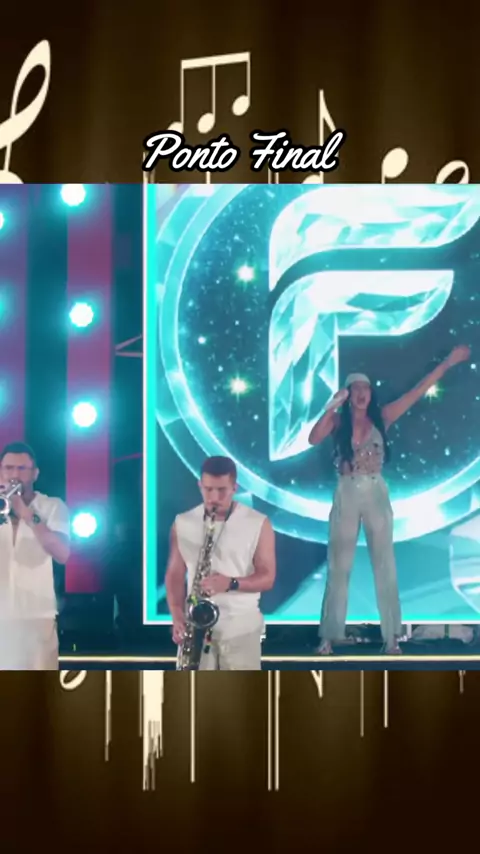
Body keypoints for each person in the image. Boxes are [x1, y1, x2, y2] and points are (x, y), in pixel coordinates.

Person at [308, 345, 471, 656]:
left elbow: (418, 391)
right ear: (348, 394)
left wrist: (449, 362)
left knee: (385, 564)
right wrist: (331, 407)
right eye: (355, 389)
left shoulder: (382, 417)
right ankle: (328, 637)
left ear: (371, 393)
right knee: (339, 566)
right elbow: (313, 438)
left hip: (375, 491)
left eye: (365, 389)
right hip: (346, 490)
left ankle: (392, 637)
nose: (361, 394)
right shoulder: (337, 422)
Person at [165, 455, 276, 670]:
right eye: (208, 489)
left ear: (234, 488)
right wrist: (177, 614)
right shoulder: (183, 522)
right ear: (200, 485)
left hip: (241, 629)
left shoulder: (258, 523)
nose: (214, 497)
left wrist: (231, 583)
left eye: (222, 490)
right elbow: (174, 574)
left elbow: (267, 577)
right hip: (196, 629)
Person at [0, 441, 70, 669]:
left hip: (37, 617)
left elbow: (62, 553)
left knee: (36, 687)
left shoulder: (53, 506)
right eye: (8, 468)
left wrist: (26, 513)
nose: (14, 475)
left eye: (22, 469)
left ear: (35, 473)